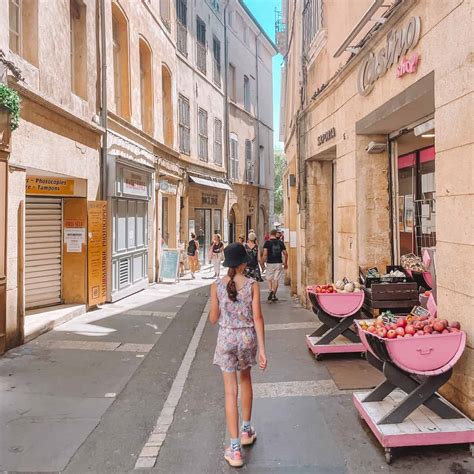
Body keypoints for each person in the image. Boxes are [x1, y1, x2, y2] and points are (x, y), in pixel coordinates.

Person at [209, 243, 267, 468]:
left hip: (226, 339)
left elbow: (213, 319)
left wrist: (221, 308)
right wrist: (262, 350)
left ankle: (234, 450)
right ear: (243, 263)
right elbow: (258, 317)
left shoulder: (216, 286)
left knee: (230, 392)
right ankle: (246, 431)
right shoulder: (252, 285)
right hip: (246, 338)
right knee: (246, 380)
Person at [262, 229, 288, 302]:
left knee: (269, 278)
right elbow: (286, 253)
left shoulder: (267, 243)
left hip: (270, 263)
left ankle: (270, 290)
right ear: (276, 234)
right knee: (276, 279)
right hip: (279, 263)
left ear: (270, 234)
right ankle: (273, 294)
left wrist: (262, 263)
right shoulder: (280, 242)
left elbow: (265, 254)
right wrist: (285, 263)